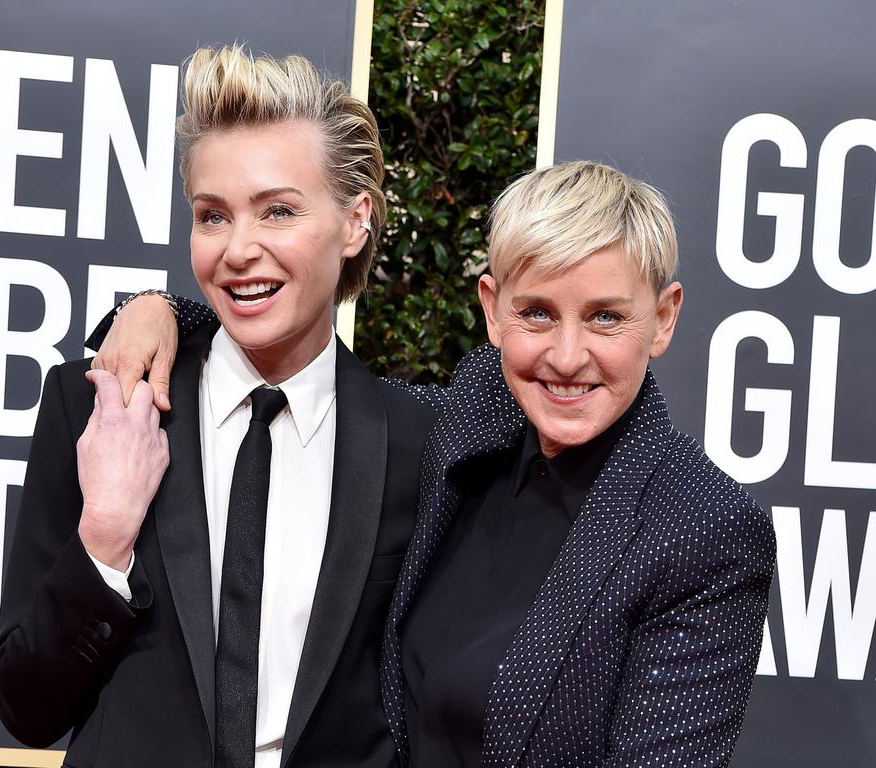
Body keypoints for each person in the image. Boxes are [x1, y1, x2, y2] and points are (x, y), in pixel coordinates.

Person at [90, 160, 776, 767]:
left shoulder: (702, 529)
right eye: (537, 314)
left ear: (663, 319)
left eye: (605, 318)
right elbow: (326, 386)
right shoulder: (476, 417)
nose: (567, 357)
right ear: (492, 311)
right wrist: (160, 311)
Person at [0, 45, 435, 768]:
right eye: (212, 216)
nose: (239, 250)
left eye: (279, 211)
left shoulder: (421, 442)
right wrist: (104, 540)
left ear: (355, 221)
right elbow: (26, 707)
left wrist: (162, 307)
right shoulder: (100, 403)